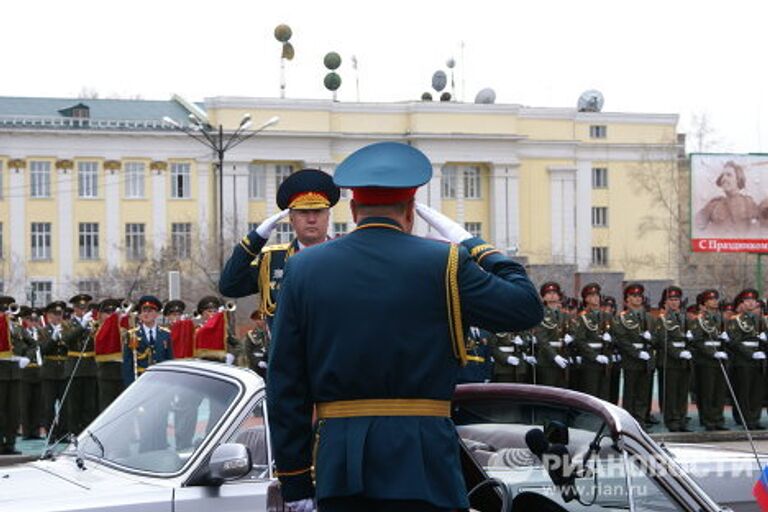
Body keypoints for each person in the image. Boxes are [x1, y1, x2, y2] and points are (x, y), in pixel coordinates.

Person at [266, 141, 544, 512]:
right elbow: (525, 307)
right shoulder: (445, 262)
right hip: (424, 459)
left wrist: (296, 478)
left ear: (352, 208)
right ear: (411, 210)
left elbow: (286, 381)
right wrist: (474, 244)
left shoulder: (304, 267)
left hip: (341, 464)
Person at [219, 169, 341, 325]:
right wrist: (257, 237)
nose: (311, 219)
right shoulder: (272, 260)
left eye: (318, 211)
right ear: (291, 218)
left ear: (328, 216)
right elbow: (229, 286)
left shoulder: (345, 258)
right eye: (303, 212)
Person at [613, 283, 656, 428]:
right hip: (632, 359)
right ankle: (629, 422)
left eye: (639, 296)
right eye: (634, 296)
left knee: (643, 393)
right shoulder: (622, 318)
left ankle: (641, 421)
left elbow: (658, 338)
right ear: (627, 300)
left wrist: (651, 338)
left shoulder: (649, 318)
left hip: (647, 359)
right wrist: (637, 353)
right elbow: (622, 339)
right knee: (630, 393)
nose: (637, 299)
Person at [654, 286, 693, 432]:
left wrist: (689, 347)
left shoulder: (684, 318)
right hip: (670, 361)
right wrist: (678, 353)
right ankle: (672, 421)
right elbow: (663, 341)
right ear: (665, 301)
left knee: (682, 393)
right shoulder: (662, 319)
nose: (674, 302)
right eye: (671, 299)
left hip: (684, 360)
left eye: (677, 299)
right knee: (671, 393)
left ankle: (682, 419)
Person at [690, 289, 729, 431]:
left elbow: (724, 339)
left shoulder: (721, 319)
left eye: (715, 299)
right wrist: (713, 353)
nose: (715, 301)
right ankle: (708, 420)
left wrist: (726, 342)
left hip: (721, 358)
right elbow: (698, 341)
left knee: (719, 391)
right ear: (705, 303)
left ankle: (718, 418)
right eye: (711, 299)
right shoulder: (699, 319)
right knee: (708, 391)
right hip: (706, 360)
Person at [727, 288, 766, 429]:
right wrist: (751, 354)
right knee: (745, 391)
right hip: (743, 361)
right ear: (742, 303)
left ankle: (755, 419)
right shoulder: (735, 321)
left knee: (757, 391)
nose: (751, 303)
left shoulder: (760, 320)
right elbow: (734, 341)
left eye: (753, 301)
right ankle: (746, 419)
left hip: (759, 359)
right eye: (747, 301)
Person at [572, 283, 612, 400]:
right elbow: (580, 340)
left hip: (605, 356)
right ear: (586, 299)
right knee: (591, 392)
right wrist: (595, 356)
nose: (595, 298)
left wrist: (610, 339)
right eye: (592, 296)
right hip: (590, 360)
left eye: (597, 295)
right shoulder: (583, 317)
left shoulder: (606, 316)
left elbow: (616, 336)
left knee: (604, 393)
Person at [695, 160, 758, 235]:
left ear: (738, 179)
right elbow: (696, 227)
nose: (724, 179)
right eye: (722, 176)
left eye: (729, 175)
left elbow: (763, 226)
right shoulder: (714, 205)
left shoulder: (749, 203)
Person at [123, 295, 173, 386]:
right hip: (140, 380)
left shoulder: (166, 334)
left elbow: (169, 359)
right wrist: (129, 386)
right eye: (143, 311)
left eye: (150, 311)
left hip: (161, 380)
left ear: (157, 314)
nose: (146, 314)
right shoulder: (132, 334)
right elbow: (127, 364)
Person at [532, 282, 571, 388]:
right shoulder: (541, 314)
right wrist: (555, 356)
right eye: (548, 293)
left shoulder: (564, 315)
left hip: (563, 356)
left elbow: (572, 331)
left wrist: (571, 337)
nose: (552, 295)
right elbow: (542, 339)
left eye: (555, 293)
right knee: (548, 393)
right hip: (547, 360)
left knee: (563, 393)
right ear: (544, 297)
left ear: (559, 296)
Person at [243, 310, 270, 378]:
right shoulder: (251, 334)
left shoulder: (271, 333)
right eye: (258, 320)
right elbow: (248, 352)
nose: (261, 322)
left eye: (262, 319)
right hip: (256, 367)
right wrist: (258, 362)